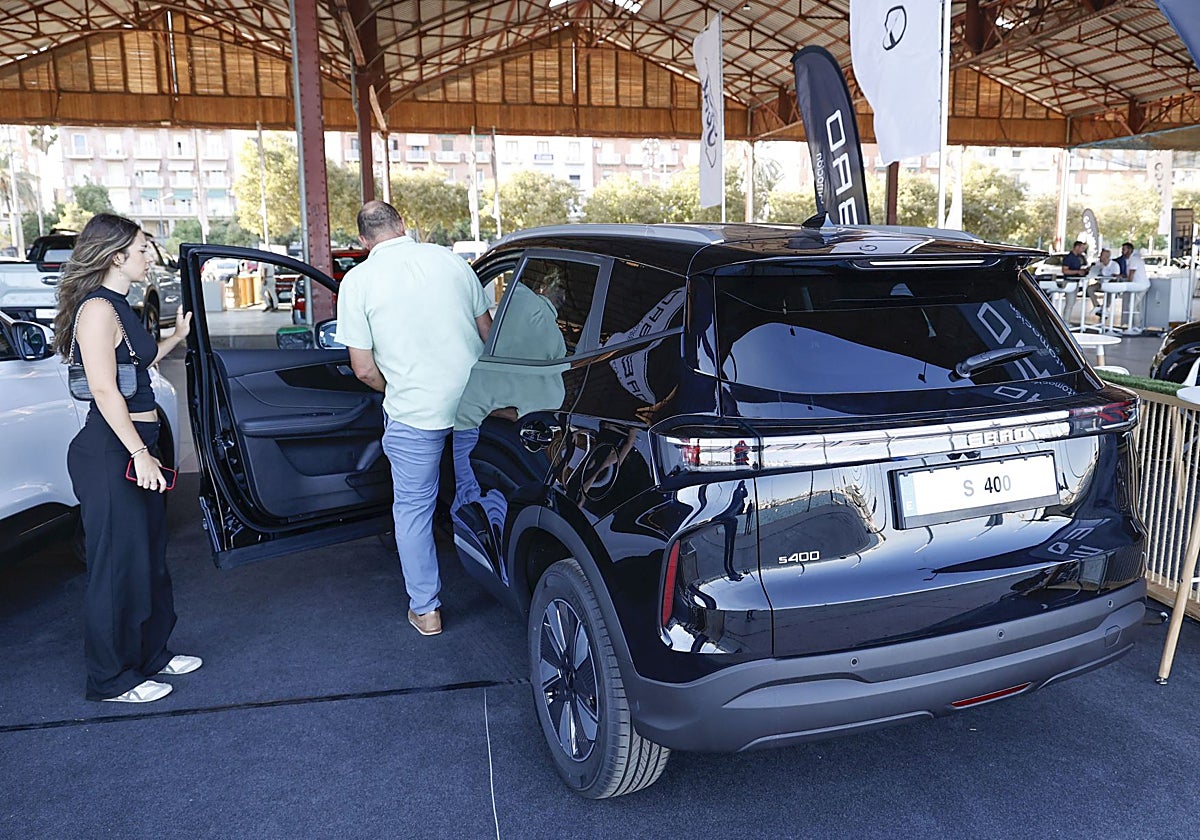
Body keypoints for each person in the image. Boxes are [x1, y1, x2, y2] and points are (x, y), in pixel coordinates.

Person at [50, 213, 199, 704]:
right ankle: (111, 679)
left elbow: (137, 363)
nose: (148, 257)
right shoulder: (97, 309)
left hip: (136, 445)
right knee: (117, 567)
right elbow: (103, 388)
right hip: (112, 450)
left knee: (148, 558)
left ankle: (151, 654)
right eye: (141, 249)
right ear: (116, 256)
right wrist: (140, 452)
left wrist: (176, 337)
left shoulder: (120, 305)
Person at [335, 201, 491, 636]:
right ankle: (493, 577)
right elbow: (487, 332)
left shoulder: (358, 280)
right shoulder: (450, 261)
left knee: (413, 509)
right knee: (475, 493)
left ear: (363, 240)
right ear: (402, 224)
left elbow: (363, 369)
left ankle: (427, 610)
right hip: (472, 404)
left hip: (413, 413)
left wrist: (398, 389)